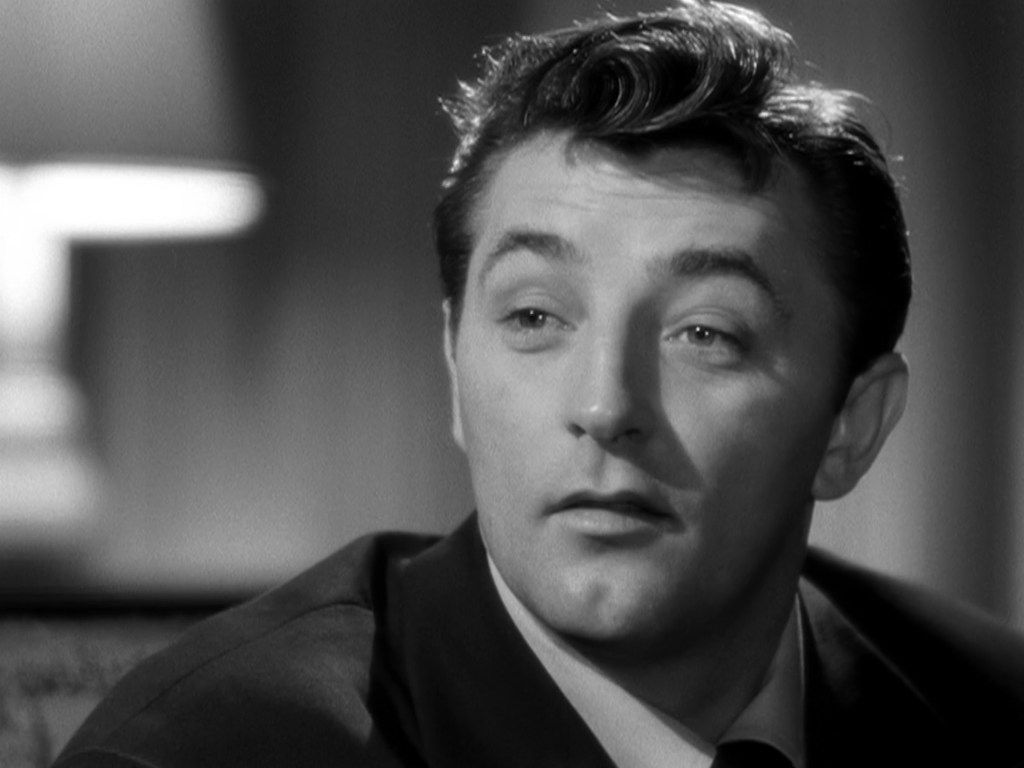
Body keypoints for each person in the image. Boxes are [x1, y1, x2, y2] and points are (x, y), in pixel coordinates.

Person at [55, 2, 1024, 767]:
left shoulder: (983, 710)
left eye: (704, 333)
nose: (603, 408)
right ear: (453, 364)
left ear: (851, 425)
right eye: (533, 318)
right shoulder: (208, 751)